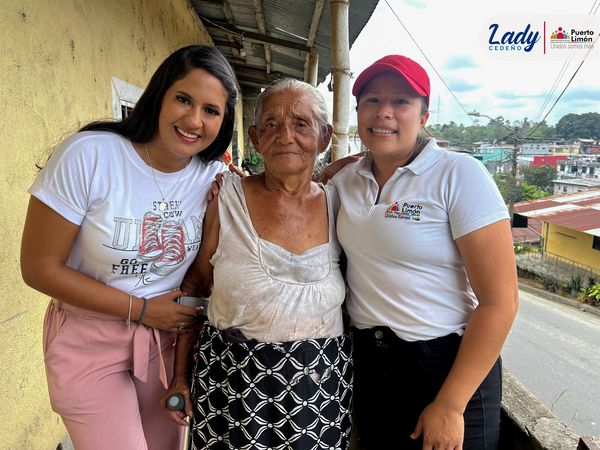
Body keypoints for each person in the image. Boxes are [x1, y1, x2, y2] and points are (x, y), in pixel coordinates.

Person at [20, 44, 238, 450]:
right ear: (159, 95)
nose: (194, 120)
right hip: (88, 340)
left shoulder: (213, 177)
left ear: (223, 122)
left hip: (166, 343)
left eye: (211, 110)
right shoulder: (90, 156)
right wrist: (141, 309)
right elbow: (39, 268)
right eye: (183, 99)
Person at [328, 55, 519, 449]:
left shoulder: (458, 174)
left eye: (401, 101)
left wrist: (450, 405)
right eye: (372, 100)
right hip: (370, 365)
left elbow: (500, 302)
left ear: (424, 116)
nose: (384, 112)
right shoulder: (345, 181)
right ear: (358, 111)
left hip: (446, 368)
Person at [162, 78, 353, 449]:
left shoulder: (341, 205)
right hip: (230, 384)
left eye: (301, 124)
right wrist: (180, 376)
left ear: (324, 138)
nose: (285, 136)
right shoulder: (225, 199)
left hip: (319, 389)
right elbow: (194, 289)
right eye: (271, 124)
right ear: (254, 138)